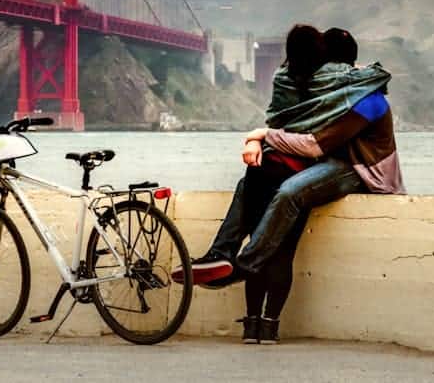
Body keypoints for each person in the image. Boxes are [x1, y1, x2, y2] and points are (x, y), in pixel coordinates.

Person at [172, 26, 403, 343]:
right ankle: (221, 255)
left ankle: (241, 266)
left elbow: (313, 144)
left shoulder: (368, 100)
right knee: (251, 190)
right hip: (328, 162)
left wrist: (260, 135)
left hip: (362, 171)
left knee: (291, 193)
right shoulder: (332, 94)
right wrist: (262, 143)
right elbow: (296, 125)